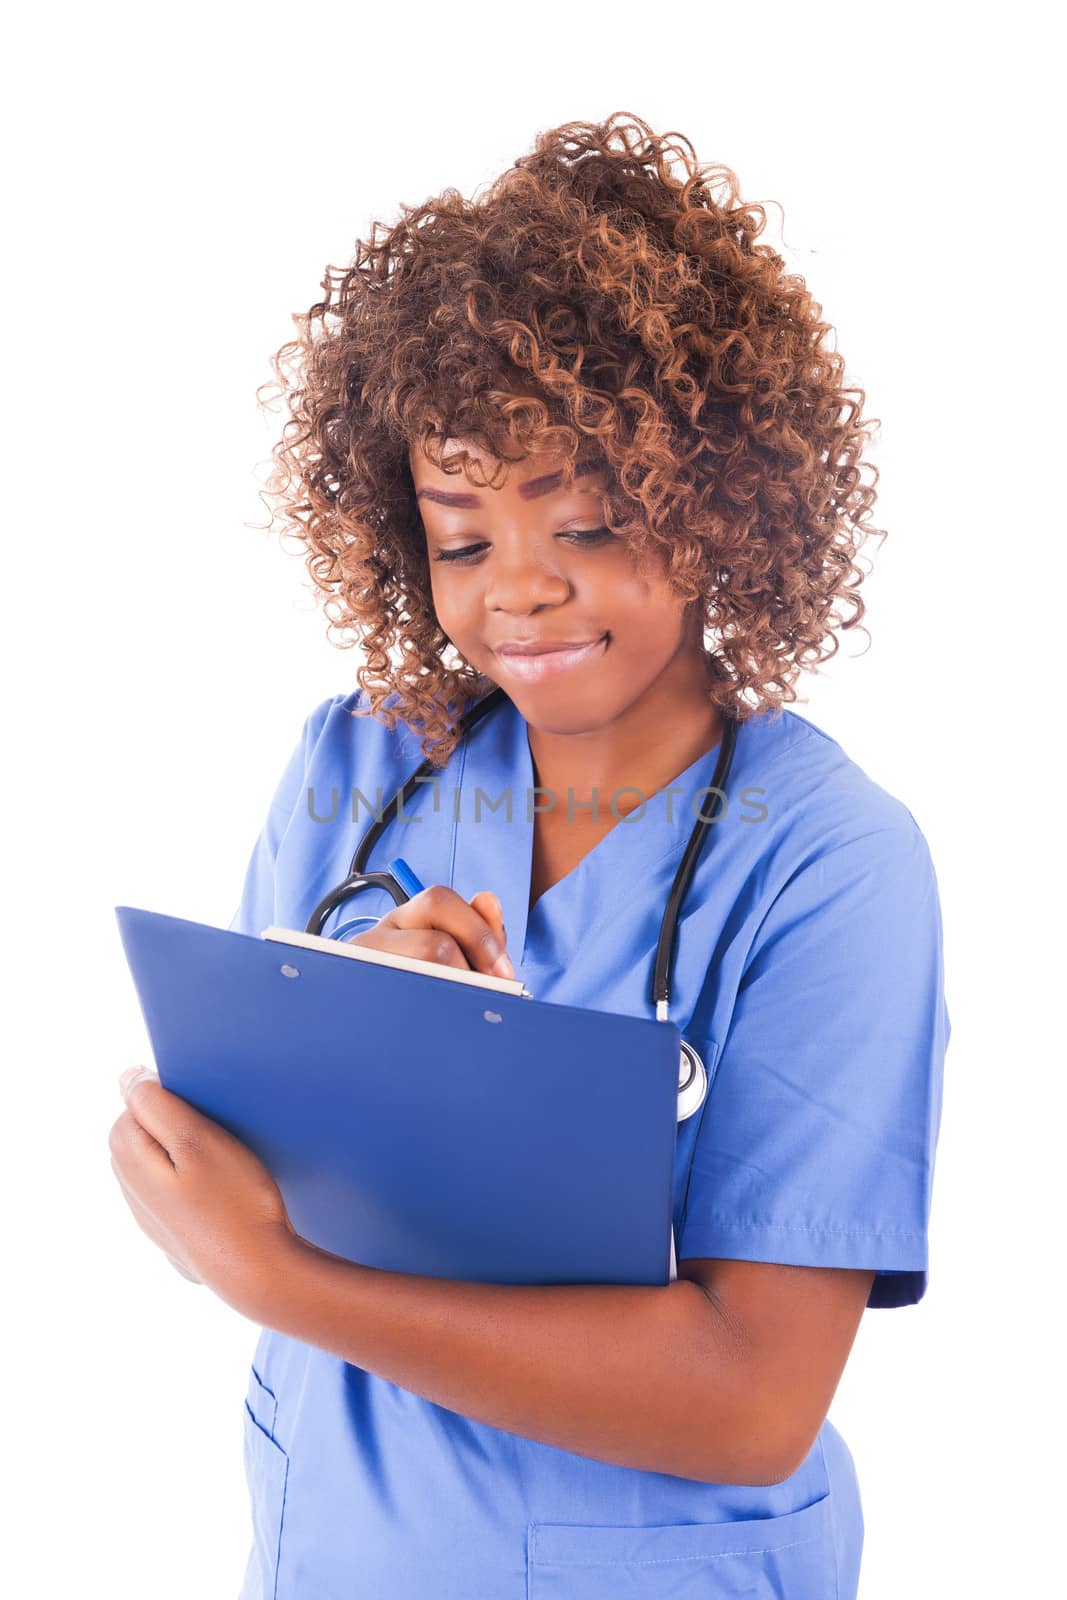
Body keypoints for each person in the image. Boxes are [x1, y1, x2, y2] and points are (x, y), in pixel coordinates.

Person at [108, 112, 950, 1598]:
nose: (526, 594)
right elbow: (193, 1196)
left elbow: (754, 1401)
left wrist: (285, 1280)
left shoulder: (830, 864)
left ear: (721, 505)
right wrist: (337, 1017)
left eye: (590, 519)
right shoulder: (360, 767)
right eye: (463, 536)